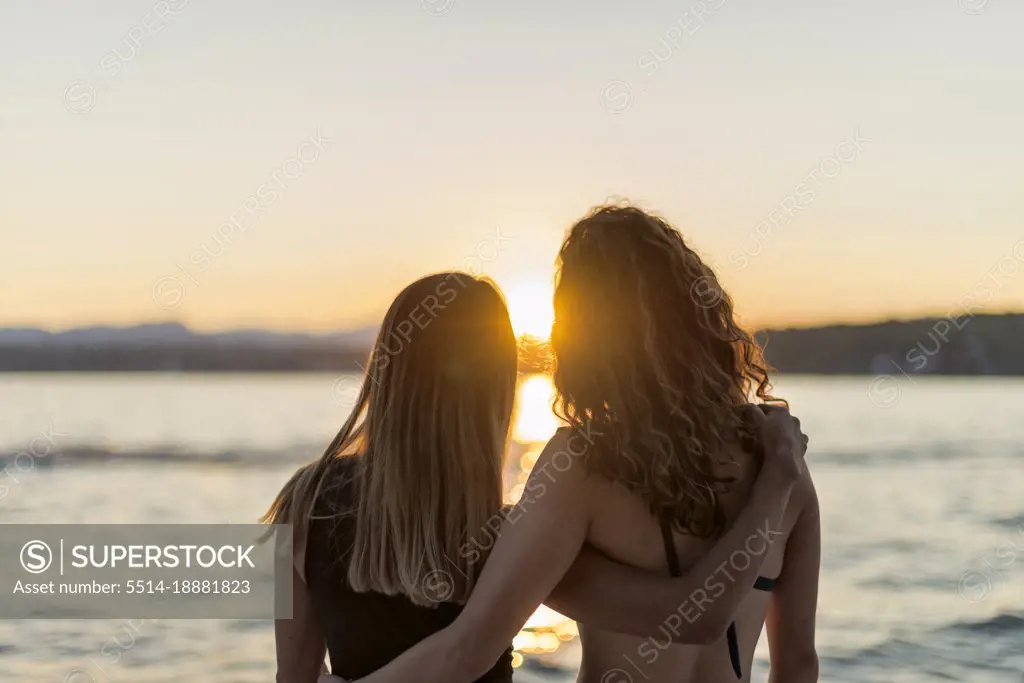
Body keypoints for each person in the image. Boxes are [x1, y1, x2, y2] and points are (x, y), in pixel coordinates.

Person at [266, 269, 809, 683]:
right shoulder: (502, 537)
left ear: (384, 371)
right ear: (493, 393)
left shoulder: (305, 504)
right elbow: (688, 613)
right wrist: (774, 477)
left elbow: (291, 677)